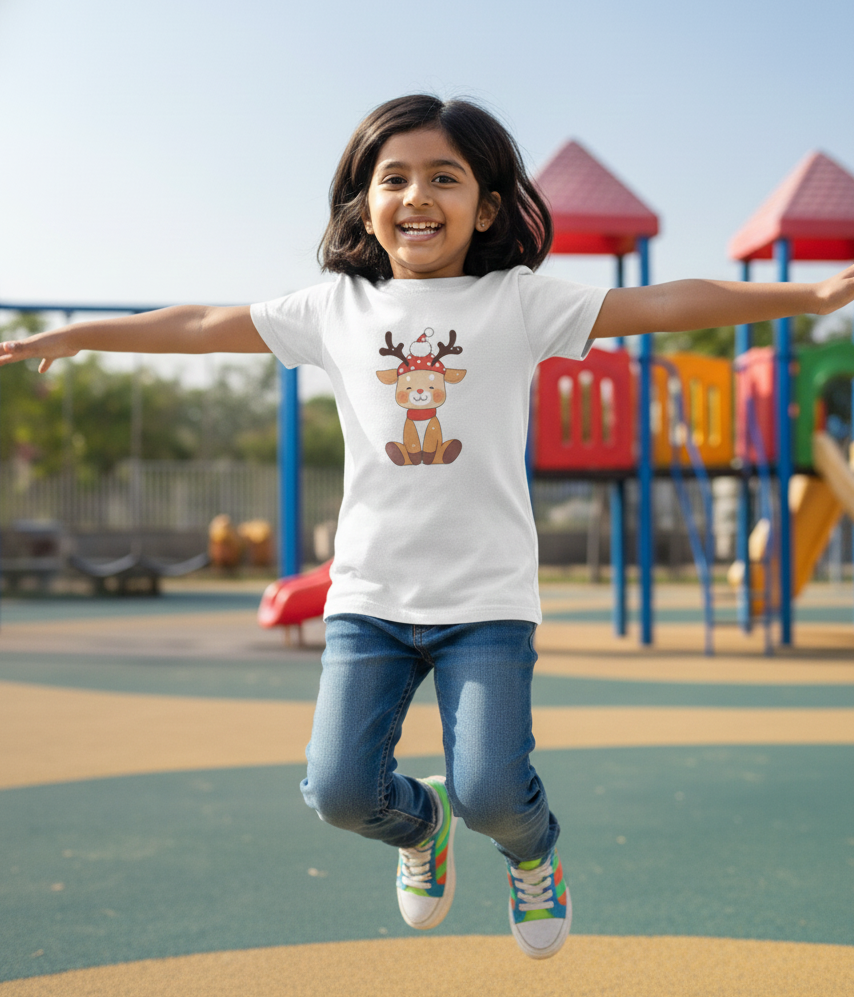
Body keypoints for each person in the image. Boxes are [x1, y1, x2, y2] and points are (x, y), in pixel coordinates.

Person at [3, 94, 853, 960]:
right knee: (338, 790)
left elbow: (665, 302)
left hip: (486, 602)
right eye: (394, 178)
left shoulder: (517, 302)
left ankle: (534, 852)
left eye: (444, 177)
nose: (417, 194)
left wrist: (816, 293)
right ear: (365, 204)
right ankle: (422, 825)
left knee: (494, 793)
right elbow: (200, 324)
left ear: (486, 207)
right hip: (369, 598)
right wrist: (84, 335)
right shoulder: (334, 308)